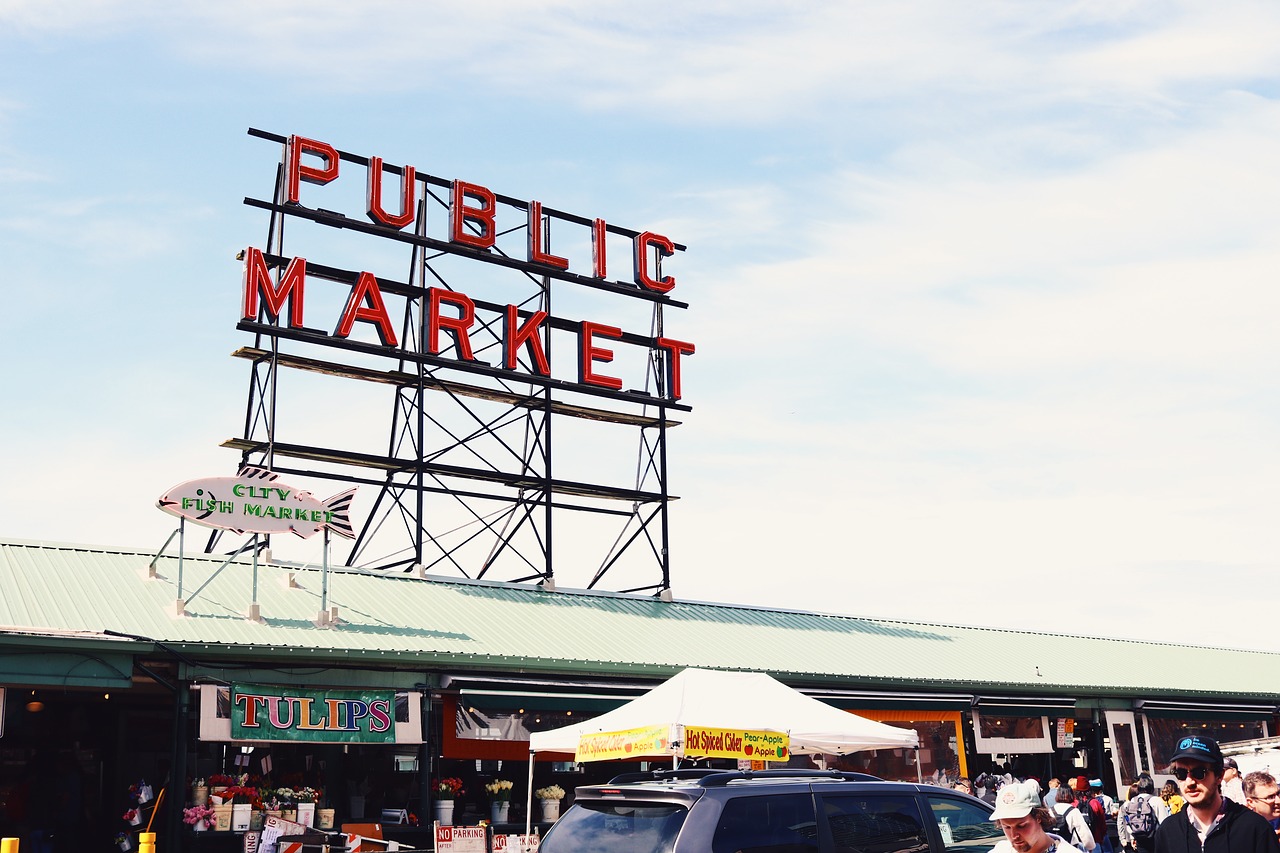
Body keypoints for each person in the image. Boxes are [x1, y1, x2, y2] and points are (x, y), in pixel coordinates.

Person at [1154, 735, 1280, 853]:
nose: (1189, 782)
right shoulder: (1168, 831)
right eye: (1181, 773)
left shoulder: (1254, 828)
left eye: (1199, 772)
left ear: (1219, 775)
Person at [991, 779, 1091, 853]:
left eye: (1021, 826)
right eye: (1007, 827)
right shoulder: (1001, 849)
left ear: (1038, 818)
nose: (1014, 835)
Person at [1051, 786, 1099, 851]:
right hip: (1070, 847)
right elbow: (1083, 832)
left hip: (1053, 848)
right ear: (1071, 795)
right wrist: (1091, 847)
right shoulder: (1073, 811)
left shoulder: (1049, 811)